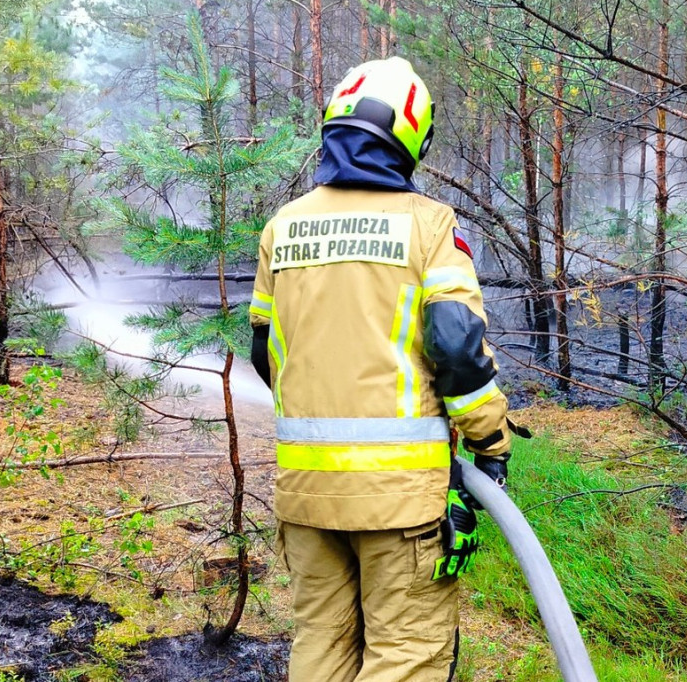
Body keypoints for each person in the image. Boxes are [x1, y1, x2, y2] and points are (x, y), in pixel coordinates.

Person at [248, 57, 512, 682]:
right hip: (400, 504)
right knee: (406, 656)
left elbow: (266, 351)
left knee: (320, 646)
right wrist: (490, 444)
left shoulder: (283, 228)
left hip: (306, 495)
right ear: (411, 137)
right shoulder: (428, 226)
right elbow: (455, 348)